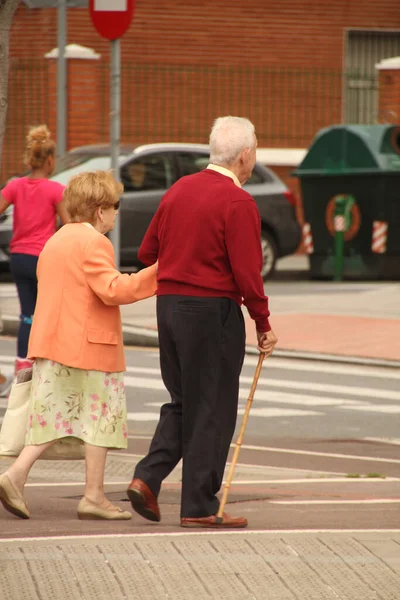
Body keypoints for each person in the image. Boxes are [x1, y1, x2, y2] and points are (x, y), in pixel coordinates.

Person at [127, 116, 278, 529]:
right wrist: (262, 322)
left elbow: (146, 251)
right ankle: (198, 505)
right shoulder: (237, 201)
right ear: (245, 155)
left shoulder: (179, 190)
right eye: (255, 151)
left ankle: (148, 476)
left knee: (183, 400)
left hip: (170, 306)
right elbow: (249, 273)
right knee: (212, 406)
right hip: (212, 311)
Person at [0, 170, 157, 521]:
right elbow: (114, 289)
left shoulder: (56, 240)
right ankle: (93, 497)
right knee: (99, 420)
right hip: (89, 346)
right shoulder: (94, 243)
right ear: (99, 209)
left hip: (54, 344)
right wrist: (159, 272)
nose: (117, 213)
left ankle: (15, 475)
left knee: (56, 419)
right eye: (114, 205)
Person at [0, 125, 70, 374]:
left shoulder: (15, 186)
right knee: (47, 313)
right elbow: (68, 225)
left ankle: (22, 366)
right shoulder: (55, 190)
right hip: (43, 260)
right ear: (50, 160)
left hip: (18, 259)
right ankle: (43, 364)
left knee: (27, 314)